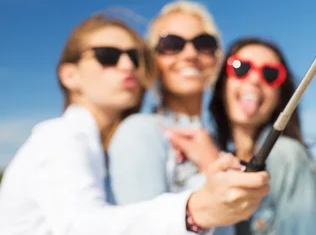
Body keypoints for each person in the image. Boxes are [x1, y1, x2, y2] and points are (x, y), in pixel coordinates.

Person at [0, 13, 269, 235]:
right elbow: (78, 226)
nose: (128, 65)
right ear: (70, 76)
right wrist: (193, 210)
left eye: (134, 57)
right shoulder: (59, 137)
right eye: (108, 56)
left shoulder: (98, 146)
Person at [107, 0, 231, 233]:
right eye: (172, 44)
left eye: (203, 43)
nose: (190, 53)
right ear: (153, 61)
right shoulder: (140, 132)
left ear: (216, 56)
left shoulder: (217, 141)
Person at [208, 37, 316, 235]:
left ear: (280, 96)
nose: (255, 79)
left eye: (270, 74)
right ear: (223, 83)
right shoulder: (213, 153)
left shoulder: (285, 154)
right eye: (240, 68)